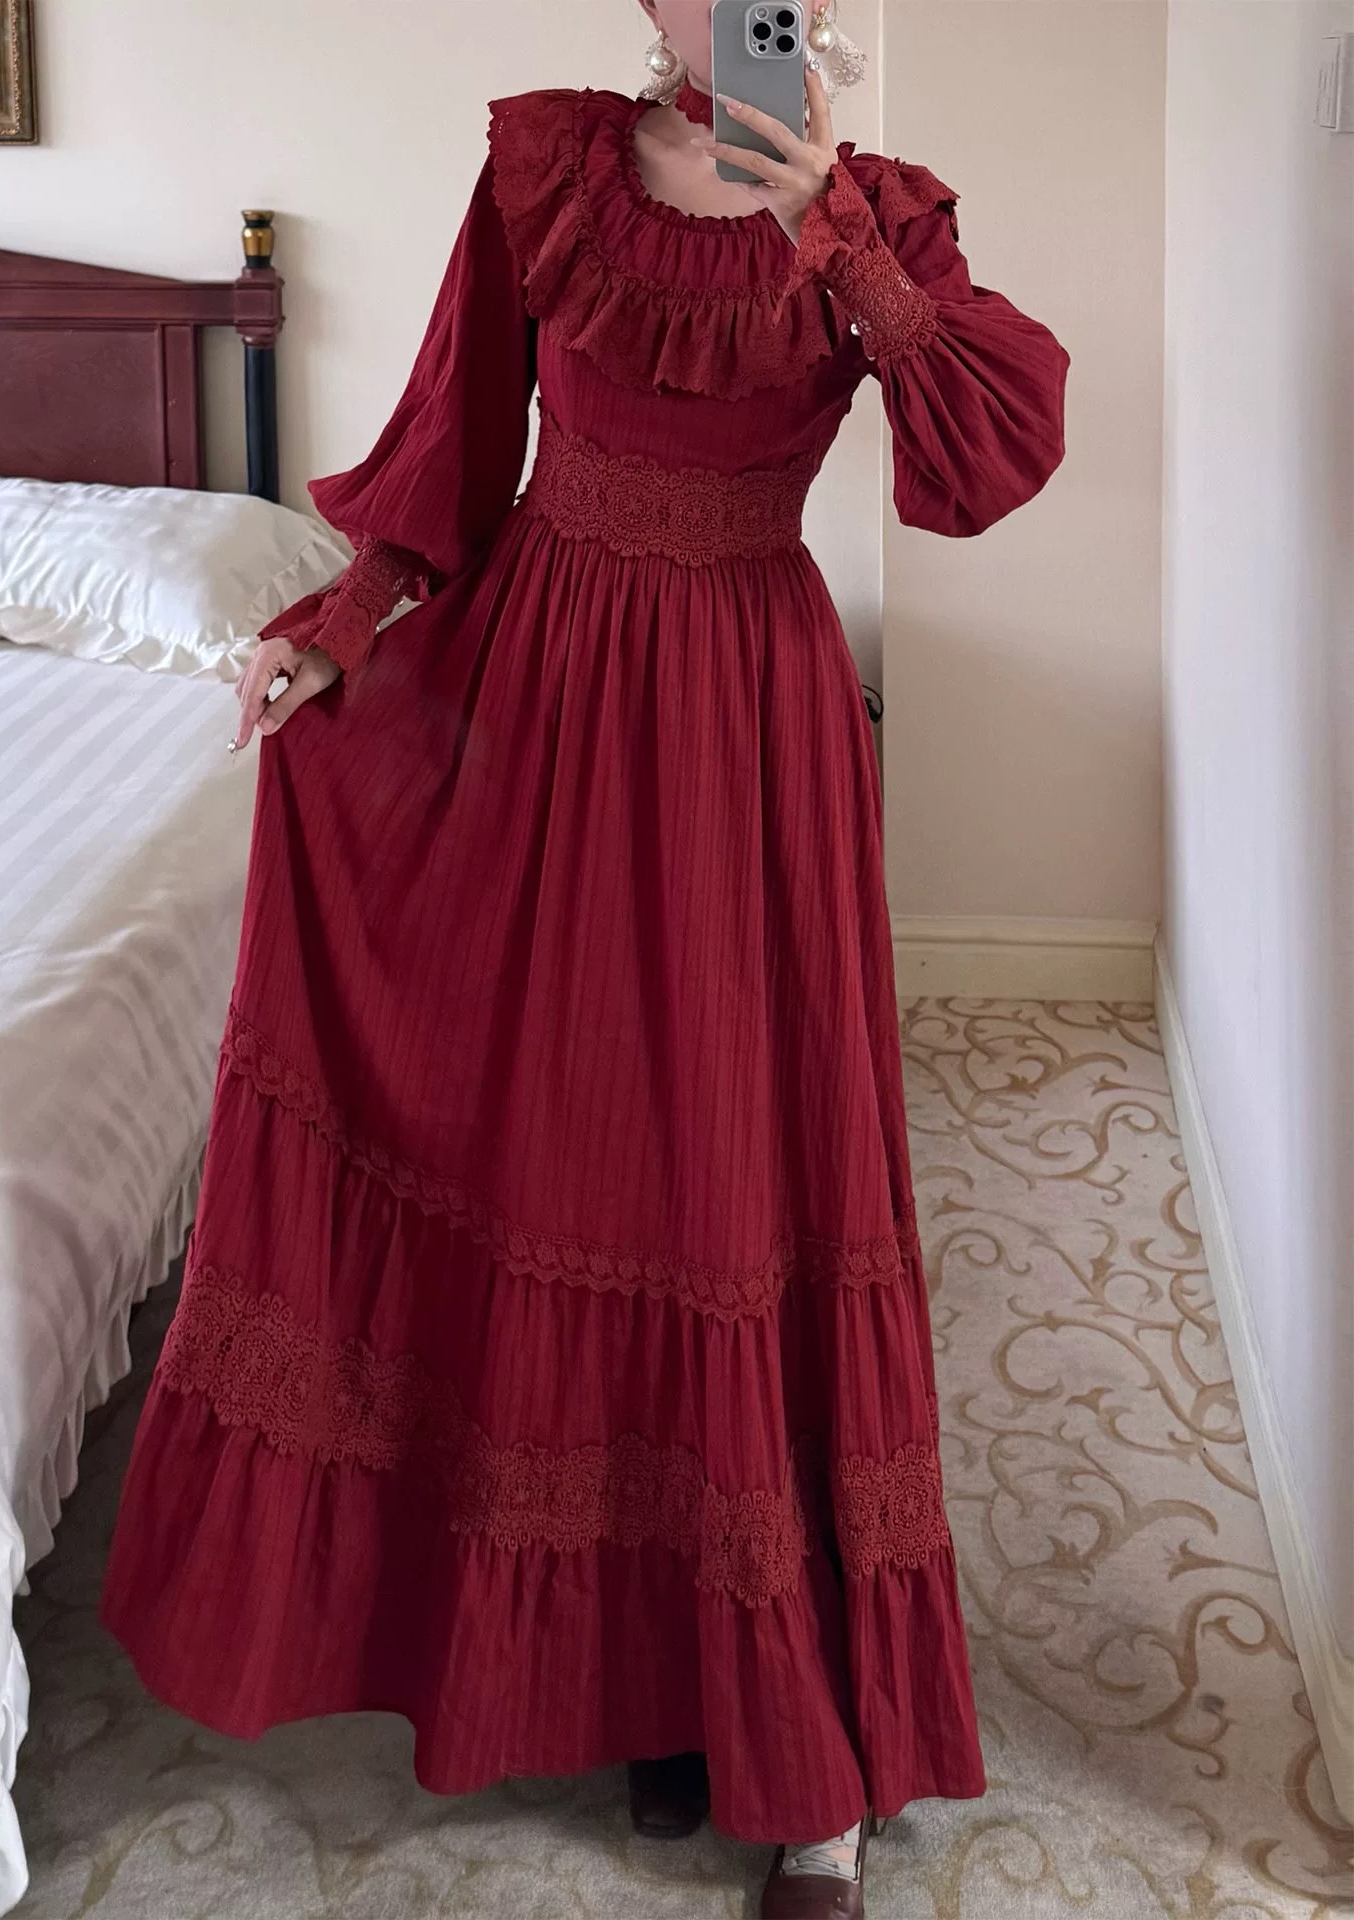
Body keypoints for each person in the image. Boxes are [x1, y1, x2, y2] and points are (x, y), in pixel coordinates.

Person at [101, 2, 1068, 1914]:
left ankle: (804, 1767)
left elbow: (990, 454)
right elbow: (453, 457)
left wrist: (835, 234)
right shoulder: (544, 167)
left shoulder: (883, 209)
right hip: (542, 701)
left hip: (750, 727)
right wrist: (337, 630)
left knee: (744, 1188)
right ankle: (651, 1678)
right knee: (583, 1162)